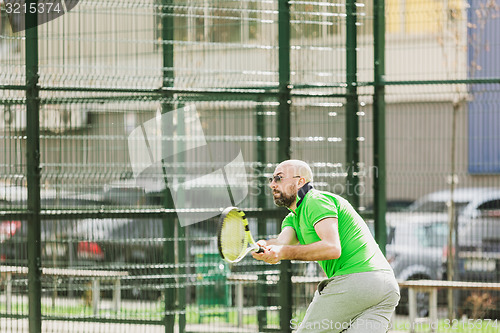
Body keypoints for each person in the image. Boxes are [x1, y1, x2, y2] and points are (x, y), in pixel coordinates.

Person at [252, 160, 400, 333]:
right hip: (385, 288)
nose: (272, 184)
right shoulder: (293, 217)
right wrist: (265, 246)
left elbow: (332, 248)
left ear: (300, 181)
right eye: (271, 179)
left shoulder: (315, 201)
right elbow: (282, 242)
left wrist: (283, 252)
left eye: (278, 178)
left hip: (357, 281)